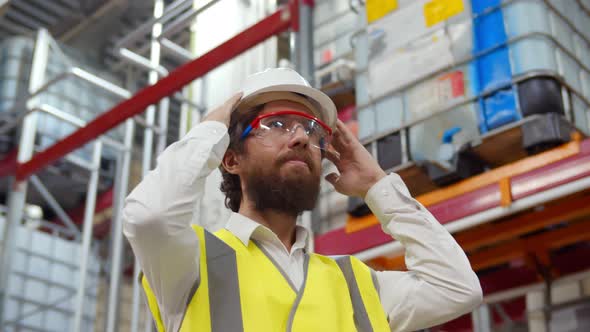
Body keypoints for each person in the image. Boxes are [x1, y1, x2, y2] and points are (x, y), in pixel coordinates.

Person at [123, 68, 482, 332]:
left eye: (311, 129)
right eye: (276, 124)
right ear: (230, 159)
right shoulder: (189, 262)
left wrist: (378, 186)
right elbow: (148, 218)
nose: (300, 138)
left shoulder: (356, 282)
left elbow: (457, 288)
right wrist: (208, 133)